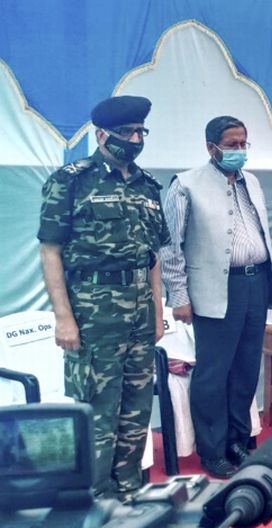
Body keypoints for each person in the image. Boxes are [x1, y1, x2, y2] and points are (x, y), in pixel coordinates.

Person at [38, 95, 167, 501]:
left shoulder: (148, 186)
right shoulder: (72, 180)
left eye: (140, 132)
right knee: (97, 409)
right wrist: (63, 317)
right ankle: (93, 497)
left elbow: (153, 257)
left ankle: (128, 488)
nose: (135, 138)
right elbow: (50, 250)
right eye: (127, 132)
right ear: (101, 135)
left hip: (140, 310)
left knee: (136, 406)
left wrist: (158, 311)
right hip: (94, 308)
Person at [160, 116, 272, 478]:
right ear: (211, 147)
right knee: (213, 373)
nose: (239, 150)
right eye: (231, 144)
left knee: (246, 369)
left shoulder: (253, 182)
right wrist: (179, 296)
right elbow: (170, 246)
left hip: (256, 284)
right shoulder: (185, 185)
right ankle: (212, 450)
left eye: (244, 143)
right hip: (215, 289)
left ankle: (238, 440)